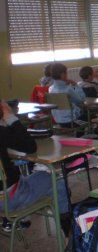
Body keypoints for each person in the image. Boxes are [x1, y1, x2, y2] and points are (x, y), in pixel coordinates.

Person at [0, 100, 69, 234]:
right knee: (57, 182)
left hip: (8, 191)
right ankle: (69, 232)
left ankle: (21, 219)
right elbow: (30, 147)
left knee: (27, 176)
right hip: (9, 199)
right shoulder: (2, 133)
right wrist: (11, 119)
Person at [49, 62, 86, 127]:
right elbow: (81, 100)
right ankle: (81, 136)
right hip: (70, 121)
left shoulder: (50, 89)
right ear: (63, 74)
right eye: (66, 73)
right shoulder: (68, 89)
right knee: (91, 116)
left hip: (57, 120)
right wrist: (75, 85)